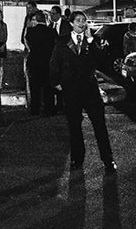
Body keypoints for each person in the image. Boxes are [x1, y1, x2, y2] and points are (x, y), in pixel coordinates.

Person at [49, 11, 116, 174]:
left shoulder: (93, 40)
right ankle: (77, 159)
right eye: (78, 20)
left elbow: (101, 60)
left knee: (99, 124)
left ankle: (108, 159)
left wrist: (91, 40)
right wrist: (56, 82)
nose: (81, 23)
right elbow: (54, 62)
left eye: (84, 20)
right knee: (74, 125)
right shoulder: (62, 41)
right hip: (70, 89)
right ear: (71, 23)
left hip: (90, 89)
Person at [25, 10, 57, 116]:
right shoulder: (52, 32)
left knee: (35, 87)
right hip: (48, 62)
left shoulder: (31, 31)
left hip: (34, 61)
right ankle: (49, 108)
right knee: (48, 87)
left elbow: (28, 43)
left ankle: (35, 109)